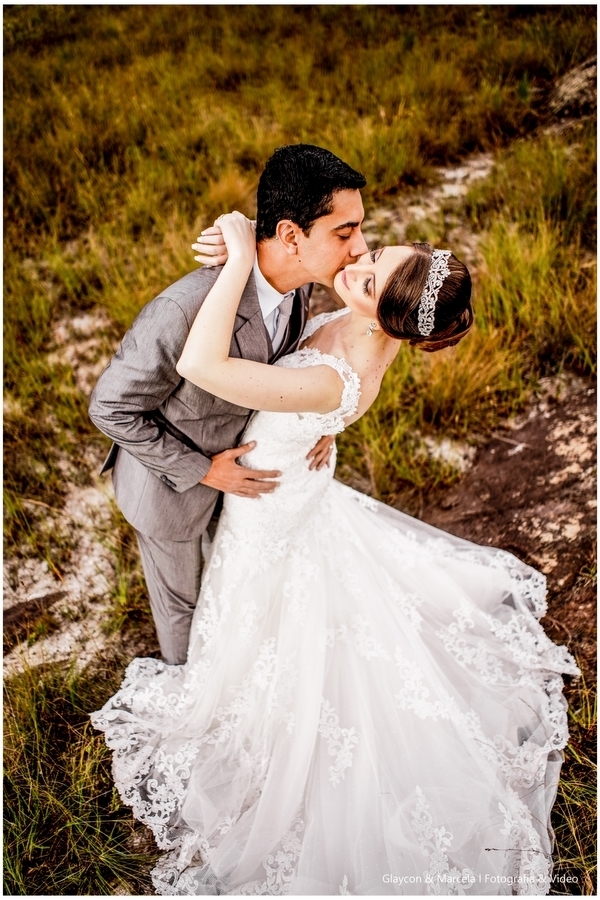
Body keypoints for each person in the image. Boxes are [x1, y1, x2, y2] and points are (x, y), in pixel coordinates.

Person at [92, 214, 579, 896]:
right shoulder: (368, 335)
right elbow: (340, 393)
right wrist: (327, 431)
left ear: (391, 320)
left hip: (267, 510)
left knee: (265, 618)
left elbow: (203, 364)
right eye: (373, 253)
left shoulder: (333, 378)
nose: (355, 267)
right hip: (298, 481)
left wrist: (238, 261)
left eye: (371, 280)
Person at [88, 144, 368, 666]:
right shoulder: (183, 309)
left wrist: (323, 420)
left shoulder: (300, 286)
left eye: (359, 229)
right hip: (168, 492)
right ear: (290, 236)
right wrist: (203, 472)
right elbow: (110, 407)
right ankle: (186, 698)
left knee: (226, 585)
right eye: (345, 232)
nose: (360, 247)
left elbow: (289, 365)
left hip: (246, 483)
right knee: (184, 609)